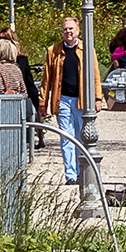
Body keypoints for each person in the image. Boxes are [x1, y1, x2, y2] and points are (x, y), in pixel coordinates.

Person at [40, 15, 90, 191]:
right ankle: (70, 174)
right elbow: (47, 79)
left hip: (82, 100)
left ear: (77, 31)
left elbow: (95, 75)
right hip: (63, 100)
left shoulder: (86, 49)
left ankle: (81, 172)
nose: (68, 32)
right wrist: (43, 102)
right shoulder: (53, 51)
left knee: (81, 137)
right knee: (66, 137)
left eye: (71, 29)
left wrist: (97, 98)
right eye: (65, 29)